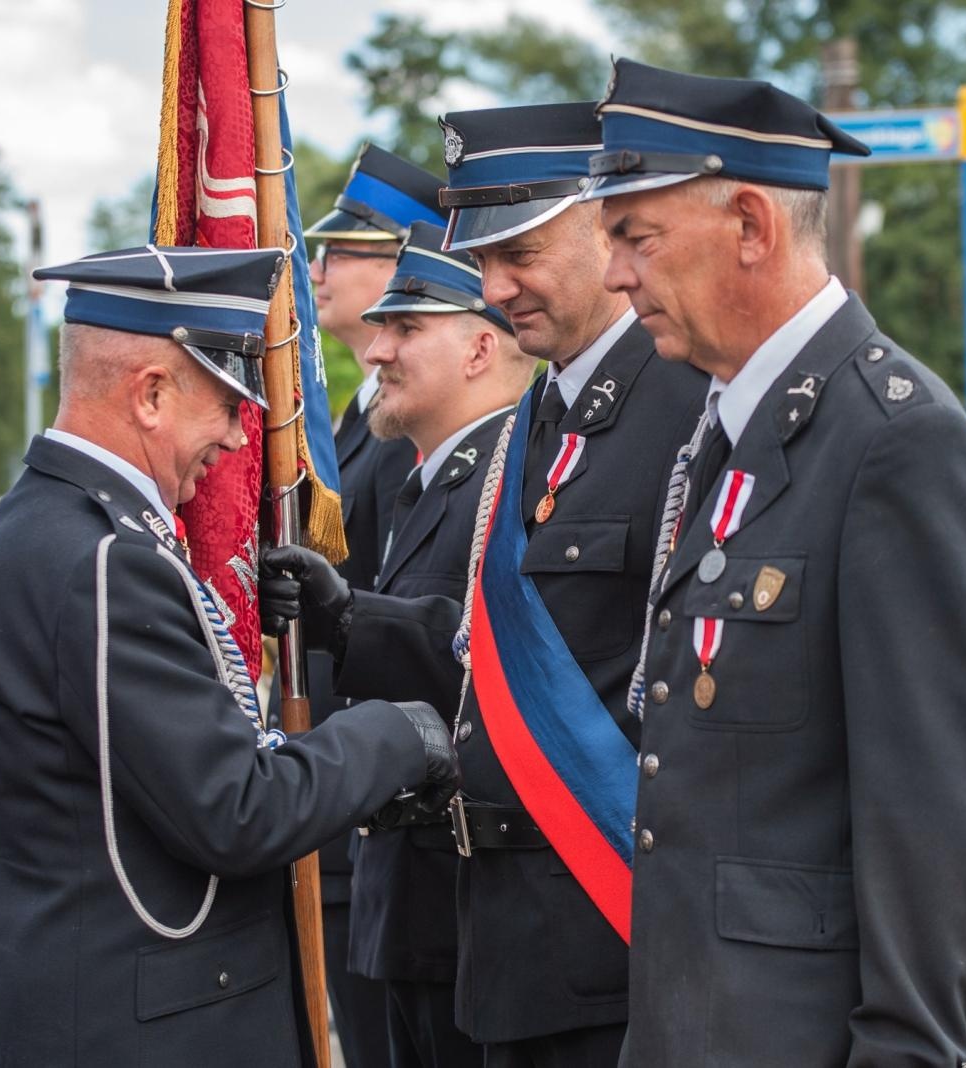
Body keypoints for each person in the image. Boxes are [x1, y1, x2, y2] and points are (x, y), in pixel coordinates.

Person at [581, 59, 966, 1066]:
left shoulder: (892, 447)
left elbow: (941, 827)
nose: (615, 274)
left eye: (637, 238)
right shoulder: (728, 424)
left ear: (751, 224)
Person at [273, 102, 708, 1065]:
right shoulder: (535, 423)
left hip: (609, 929)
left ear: (604, 229)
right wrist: (350, 619)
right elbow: (491, 652)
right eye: (482, 260)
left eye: (520, 252)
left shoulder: (686, 405)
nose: (497, 286)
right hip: (505, 936)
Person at [0, 244, 461, 1066]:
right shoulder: (102, 560)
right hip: (143, 1029)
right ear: (151, 394)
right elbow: (237, 810)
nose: (236, 438)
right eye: (227, 404)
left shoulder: (53, 528)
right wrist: (398, 732)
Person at [269, 220, 534, 1068]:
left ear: (480, 349)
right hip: (413, 900)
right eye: (382, 325)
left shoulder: (515, 475)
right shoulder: (440, 477)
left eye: (406, 328)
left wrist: (346, 617)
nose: (376, 350)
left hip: (462, 905)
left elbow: (484, 655)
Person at [299, 142, 439, 1068]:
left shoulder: (403, 431)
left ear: (398, 267)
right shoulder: (359, 418)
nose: (314, 269)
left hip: (378, 788)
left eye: (337, 251)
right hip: (346, 797)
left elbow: (396, 610)